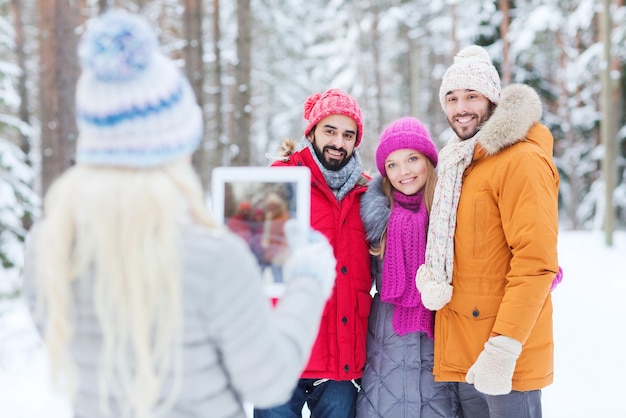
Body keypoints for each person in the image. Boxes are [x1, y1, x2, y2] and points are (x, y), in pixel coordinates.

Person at [21, 9, 338, 418]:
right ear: (174, 148)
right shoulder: (213, 257)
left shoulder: (47, 246)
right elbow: (269, 380)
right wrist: (308, 280)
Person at [415, 45, 561, 418]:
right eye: (452, 97)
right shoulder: (459, 163)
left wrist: (503, 348)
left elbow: (535, 263)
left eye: (471, 96)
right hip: (466, 353)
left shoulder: (520, 160)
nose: (460, 107)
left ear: (493, 100)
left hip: (505, 359)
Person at [254, 88, 372, 417]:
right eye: (329, 131)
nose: (338, 142)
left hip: (341, 357)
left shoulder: (368, 192)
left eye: (348, 134)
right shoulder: (281, 180)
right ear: (312, 132)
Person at [356, 117, 466, 417]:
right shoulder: (373, 218)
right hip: (385, 356)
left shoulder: (453, 213)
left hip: (439, 346)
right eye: (392, 164)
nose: (403, 171)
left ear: (429, 160)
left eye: (412, 159)